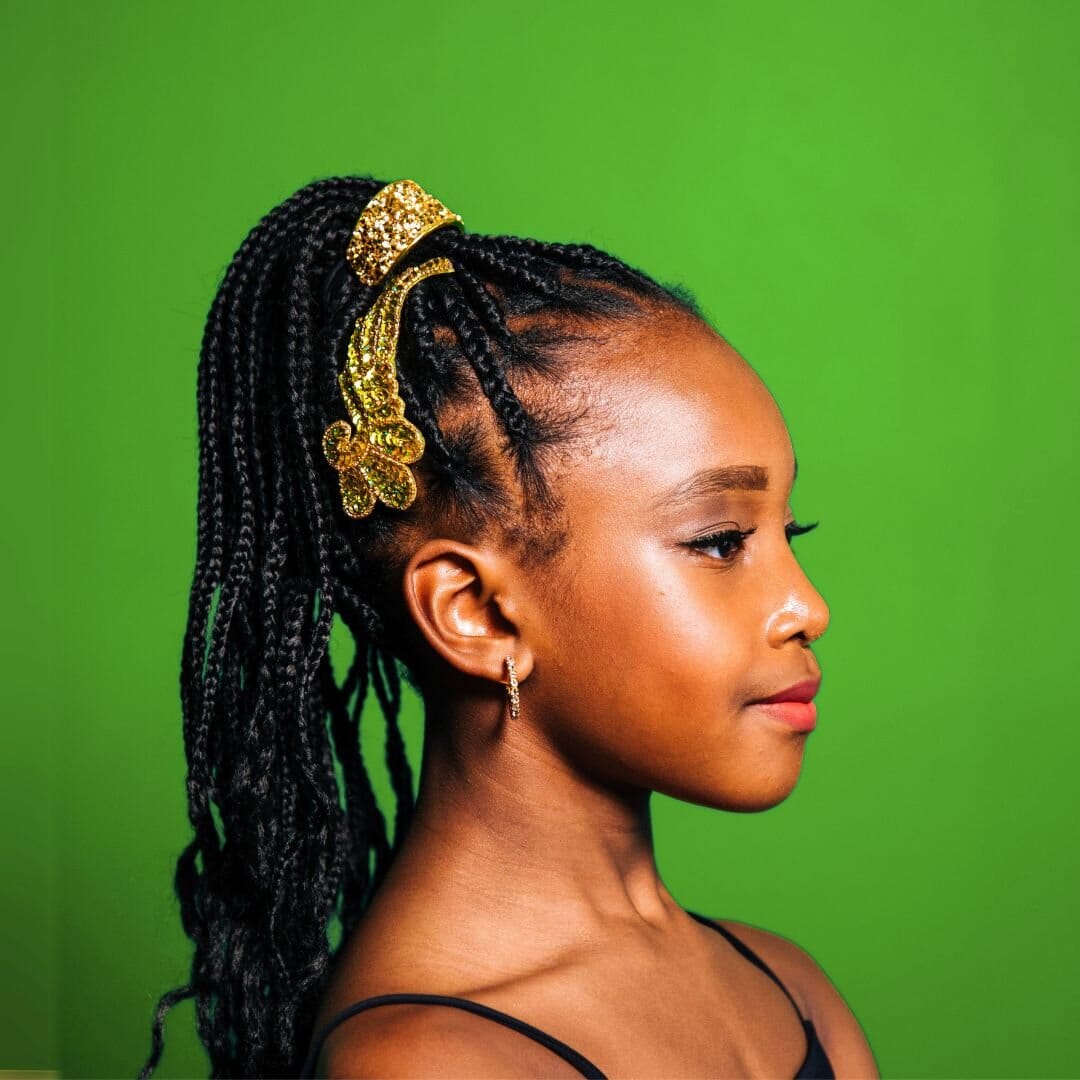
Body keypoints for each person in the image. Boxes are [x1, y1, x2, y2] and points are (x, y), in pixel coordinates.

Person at [140, 177, 878, 1079]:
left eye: (787, 533)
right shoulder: (426, 1065)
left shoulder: (791, 988)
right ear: (477, 612)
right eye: (721, 542)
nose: (808, 605)